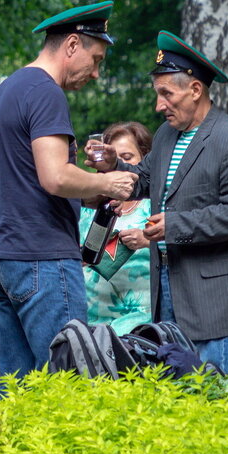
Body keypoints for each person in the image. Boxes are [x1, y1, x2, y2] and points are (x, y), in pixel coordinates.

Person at [88, 31, 228, 372]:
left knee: (214, 395)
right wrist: (113, 165)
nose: (158, 105)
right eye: (158, 94)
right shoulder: (167, 134)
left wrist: (175, 225)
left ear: (195, 90)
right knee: (175, 390)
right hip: (167, 286)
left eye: (166, 94)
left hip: (215, 300)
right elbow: (146, 180)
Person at [0, 2, 137, 378]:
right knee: (68, 378)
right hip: (42, 258)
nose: (97, 73)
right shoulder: (47, 93)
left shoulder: (5, 92)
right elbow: (54, 177)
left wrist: (93, 192)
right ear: (71, 46)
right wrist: (107, 181)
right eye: (95, 59)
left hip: (3, 255)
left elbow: (31, 182)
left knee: (16, 386)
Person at [76, 121, 153, 332]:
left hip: (139, 319)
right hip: (90, 318)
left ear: (146, 160)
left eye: (127, 159)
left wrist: (147, 241)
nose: (120, 168)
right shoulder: (90, 203)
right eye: (115, 160)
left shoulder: (153, 205)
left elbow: (176, 244)